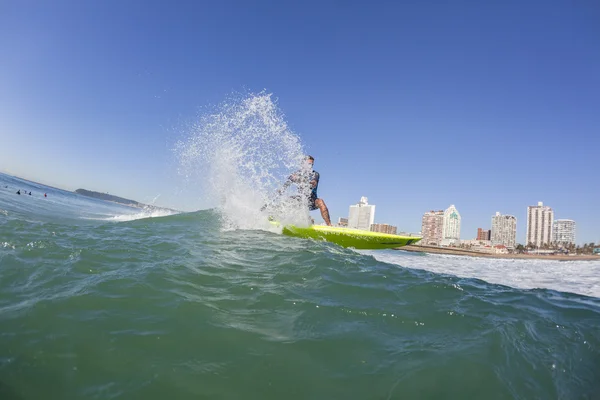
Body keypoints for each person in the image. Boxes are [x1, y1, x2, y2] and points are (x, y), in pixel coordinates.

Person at [282, 155, 332, 226]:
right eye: (309, 164)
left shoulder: (315, 174)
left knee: (321, 202)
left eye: (312, 164)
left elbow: (314, 183)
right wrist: (281, 189)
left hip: (312, 201)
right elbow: (287, 183)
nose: (310, 166)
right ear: (303, 164)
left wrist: (303, 181)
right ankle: (279, 219)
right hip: (300, 201)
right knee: (286, 200)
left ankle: (329, 225)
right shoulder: (297, 174)